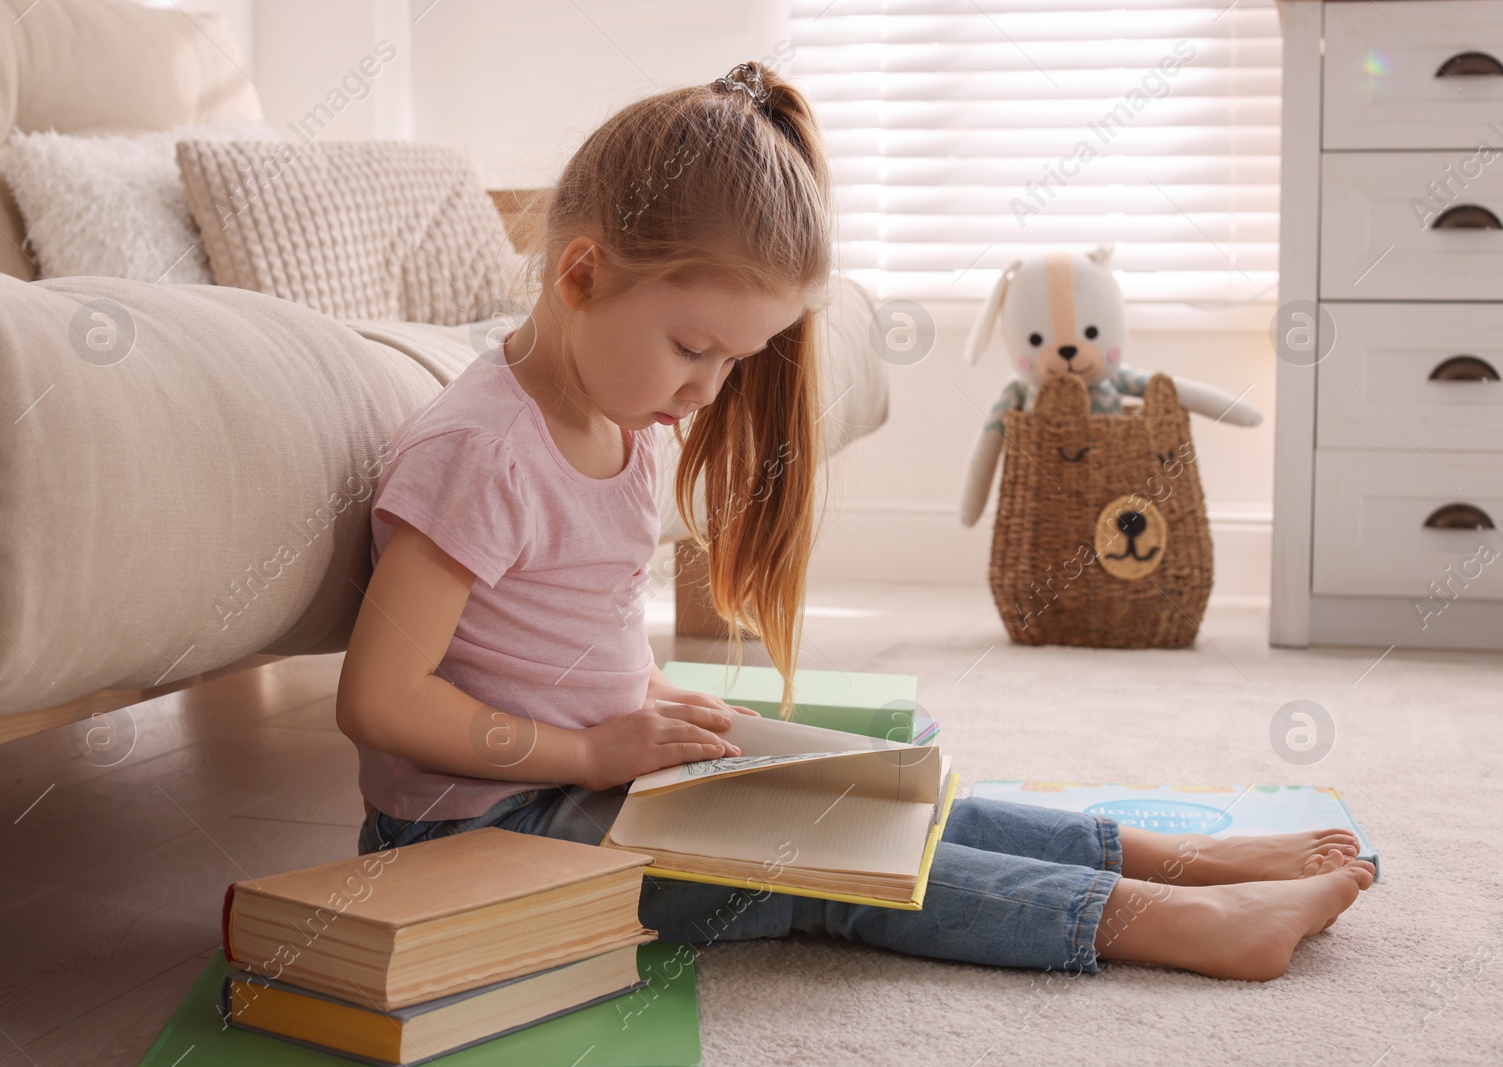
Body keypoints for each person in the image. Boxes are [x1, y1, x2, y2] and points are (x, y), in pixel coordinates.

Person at [335, 60, 1375, 983]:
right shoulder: (481, 453)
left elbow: (548, 630)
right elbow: (379, 700)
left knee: (878, 786)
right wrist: (587, 747)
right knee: (838, 861)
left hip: (590, 771)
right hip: (479, 832)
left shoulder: (623, 416)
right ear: (579, 272)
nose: (706, 388)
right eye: (693, 346)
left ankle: (1169, 855)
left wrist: (644, 700)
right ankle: (1177, 923)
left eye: (733, 360)